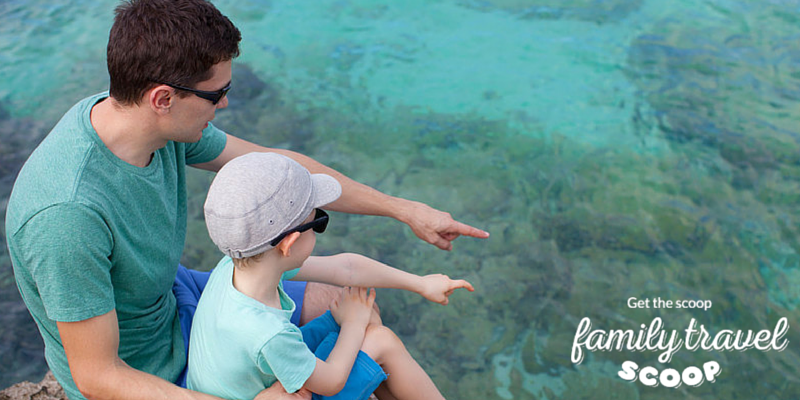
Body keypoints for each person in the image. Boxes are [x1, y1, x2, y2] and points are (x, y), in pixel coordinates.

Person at [5, 1, 488, 400]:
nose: (226, 105)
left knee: (347, 311)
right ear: (162, 98)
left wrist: (405, 210)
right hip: (149, 370)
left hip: (181, 300)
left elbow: (286, 169)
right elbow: (98, 375)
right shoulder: (66, 218)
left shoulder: (140, 118)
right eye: (218, 94)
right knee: (345, 348)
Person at [190, 152, 473, 400]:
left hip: (260, 377)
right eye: (318, 221)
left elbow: (345, 268)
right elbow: (331, 382)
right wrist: (352, 323)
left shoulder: (237, 264)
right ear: (289, 244)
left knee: (366, 320)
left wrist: (421, 284)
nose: (320, 227)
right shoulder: (268, 334)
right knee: (379, 338)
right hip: (281, 387)